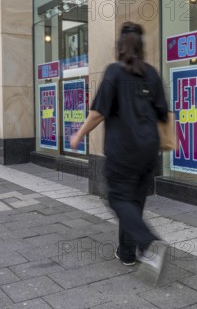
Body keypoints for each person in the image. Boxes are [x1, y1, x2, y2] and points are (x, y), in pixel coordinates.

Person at [70, 22, 169, 283]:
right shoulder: (152, 74)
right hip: (148, 152)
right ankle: (126, 252)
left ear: (120, 47)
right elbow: (163, 113)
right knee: (133, 202)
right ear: (141, 47)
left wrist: (79, 135)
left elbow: (99, 112)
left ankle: (149, 243)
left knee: (116, 199)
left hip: (123, 151)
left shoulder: (114, 72)